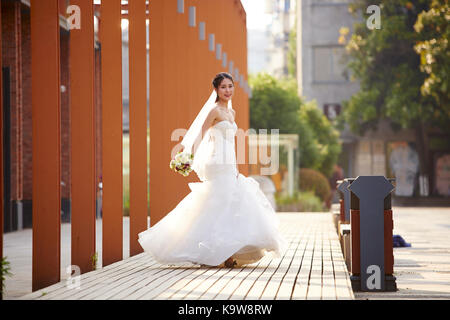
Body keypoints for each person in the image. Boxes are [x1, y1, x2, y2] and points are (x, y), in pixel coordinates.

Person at [138, 72, 286, 268]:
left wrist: (235, 167)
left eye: (230, 86)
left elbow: (232, 144)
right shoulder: (214, 111)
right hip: (216, 162)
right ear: (216, 90)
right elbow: (199, 136)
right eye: (223, 87)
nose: (227, 90)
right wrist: (187, 156)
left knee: (229, 204)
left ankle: (226, 252)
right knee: (220, 203)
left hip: (229, 162)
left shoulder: (231, 113)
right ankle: (211, 252)